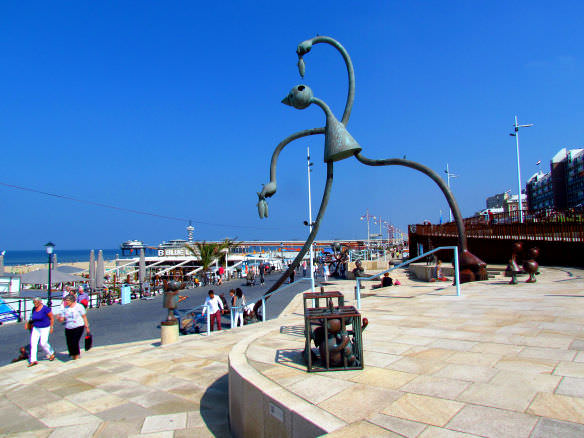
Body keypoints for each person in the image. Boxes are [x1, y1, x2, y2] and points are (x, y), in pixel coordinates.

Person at [57, 295, 90, 360]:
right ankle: (72, 353)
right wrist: (59, 319)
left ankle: (76, 354)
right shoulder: (65, 308)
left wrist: (87, 327)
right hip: (68, 327)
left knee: (75, 341)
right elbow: (62, 319)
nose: (66, 302)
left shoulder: (79, 307)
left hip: (78, 326)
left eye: (67, 300)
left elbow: (84, 316)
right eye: (65, 300)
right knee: (69, 342)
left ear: (72, 301)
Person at [27, 297, 55, 367]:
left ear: (40, 302)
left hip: (45, 328)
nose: (35, 304)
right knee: (33, 344)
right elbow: (32, 318)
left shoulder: (45, 309)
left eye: (36, 302)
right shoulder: (34, 309)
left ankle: (51, 353)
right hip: (36, 328)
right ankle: (33, 360)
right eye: (34, 302)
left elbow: (51, 317)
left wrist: (51, 327)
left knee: (43, 343)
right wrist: (28, 324)